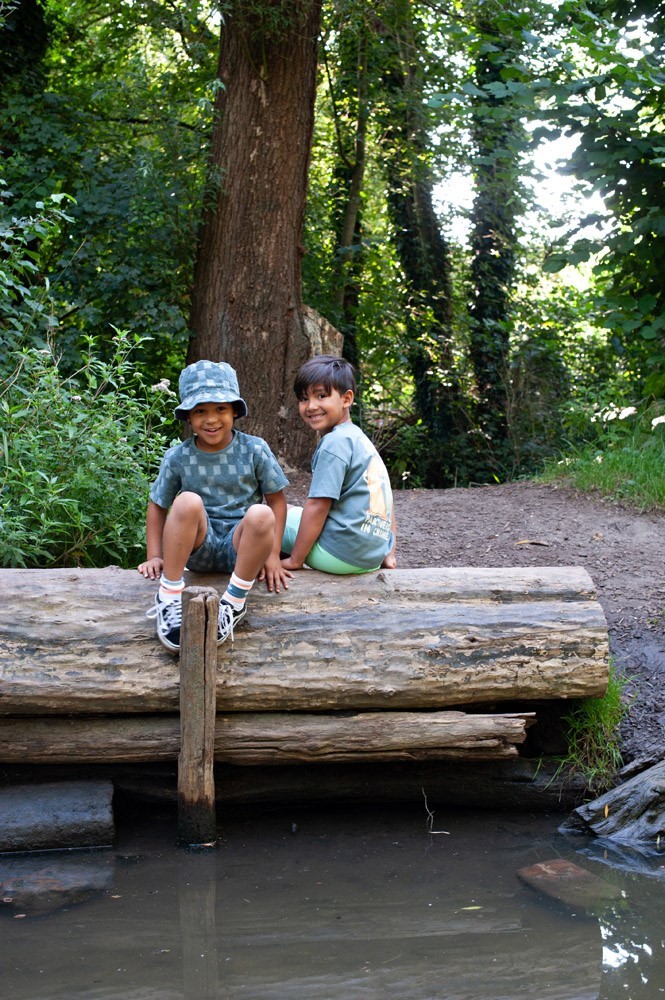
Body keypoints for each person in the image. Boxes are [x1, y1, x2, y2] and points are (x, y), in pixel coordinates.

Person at [138, 359, 291, 653]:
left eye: (220, 408)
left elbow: (277, 501)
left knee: (261, 513)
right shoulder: (178, 456)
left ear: (234, 410)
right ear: (188, 416)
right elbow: (157, 505)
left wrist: (273, 555)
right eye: (200, 411)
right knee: (187, 501)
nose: (211, 420)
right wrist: (154, 555)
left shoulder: (255, 449)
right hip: (198, 547)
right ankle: (169, 595)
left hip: (241, 549)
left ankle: (233, 603)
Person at [281, 355, 396, 575]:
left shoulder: (334, 443)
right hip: (371, 557)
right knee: (293, 512)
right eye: (304, 398)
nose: (311, 406)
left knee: (271, 516)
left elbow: (318, 505)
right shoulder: (362, 442)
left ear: (346, 399)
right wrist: (389, 553)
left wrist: (296, 560)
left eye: (321, 396)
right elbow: (387, 502)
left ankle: (251, 576)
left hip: (338, 555)